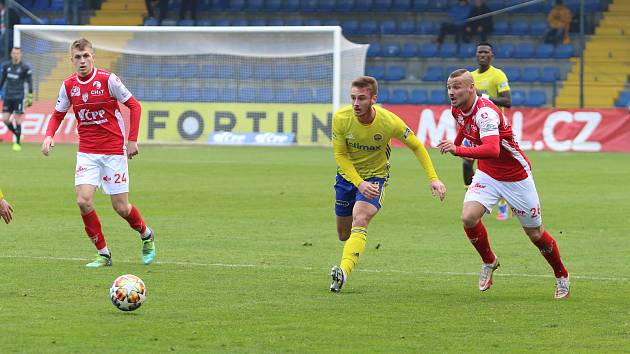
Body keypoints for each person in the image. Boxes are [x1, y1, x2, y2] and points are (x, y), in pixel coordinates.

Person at [437, 69, 570, 299]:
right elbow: (464, 127)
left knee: (535, 234)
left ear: (471, 88)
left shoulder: (486, 114)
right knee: (468, 217)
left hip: (515, 176)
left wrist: (458, 150)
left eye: (456, 86)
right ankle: (489, 261)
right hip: (487, 174)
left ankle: (562, 276)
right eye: (449, 87)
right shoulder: (456, 108)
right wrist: (455, 142)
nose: (451, 91)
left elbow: (491, 149)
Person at [41, 38, 156, 268]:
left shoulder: (108, 80)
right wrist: (48, 135)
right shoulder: (68, 86)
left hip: (114, 151)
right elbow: (57, 114)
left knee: (121, 207)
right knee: (83, 201)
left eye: (86, 56)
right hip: (87, 152)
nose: (82, 61)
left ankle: (146, 234)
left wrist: (132, 140)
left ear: (93, 57)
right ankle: (103, 253)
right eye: (77, 57)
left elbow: (135, 105)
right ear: (71, 60)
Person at [329, 76, 447, 292]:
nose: (356, 103)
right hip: (347, 178)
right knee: (344, 234)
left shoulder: (389, 122)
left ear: (373, 98)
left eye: (361, 98)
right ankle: (347, 260)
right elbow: (340, 154)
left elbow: (417, 146)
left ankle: (343, 273)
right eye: (353, 98)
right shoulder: (340, 118)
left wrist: (433, 178)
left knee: (361, 217)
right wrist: (358, 182)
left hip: (375, 178)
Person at [468, 42, 512, 221]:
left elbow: (507, 101)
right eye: (480, 52)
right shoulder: (469, 76)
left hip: (494, 128)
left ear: (491, 56)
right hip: (474, 128)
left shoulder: (498, 75)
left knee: (496, 168)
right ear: (476, 55)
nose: (482, 55)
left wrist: (483, 96)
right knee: (466, 164)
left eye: (486, 52)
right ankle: (473, 199)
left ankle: (502, 203)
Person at [0, 47, 33, 151]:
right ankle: (17, 134)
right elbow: (2, 79)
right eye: (14, 53)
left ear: (20, 54)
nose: (15, 55)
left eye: (17, 53)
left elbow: (29, 81)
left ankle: (17, 143)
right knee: (5, 119)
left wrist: (30, 95)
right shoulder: (6, 66)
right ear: (11, 54)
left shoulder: (25, 67)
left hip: (19, 97)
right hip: (8, 96)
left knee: (17, 120)